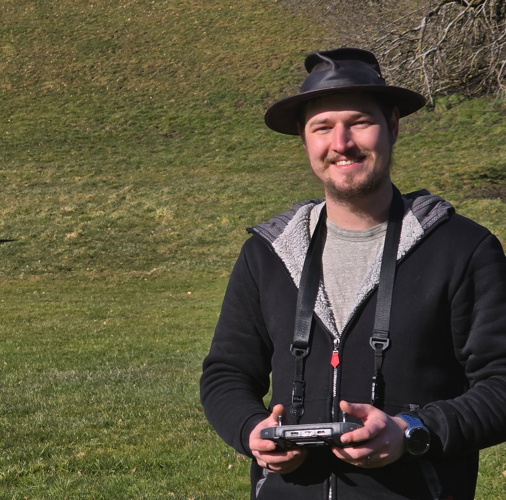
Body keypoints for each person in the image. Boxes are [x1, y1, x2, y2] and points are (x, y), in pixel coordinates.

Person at [199, 47, 506, 499]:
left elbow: (500, 384)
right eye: (322, 128)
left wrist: (410, 431)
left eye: (359, 122)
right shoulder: (265, 255)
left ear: (393, 126)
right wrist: (251, 430)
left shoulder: (463, 249)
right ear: (305, 142)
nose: (341, 143)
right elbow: (225, 373)